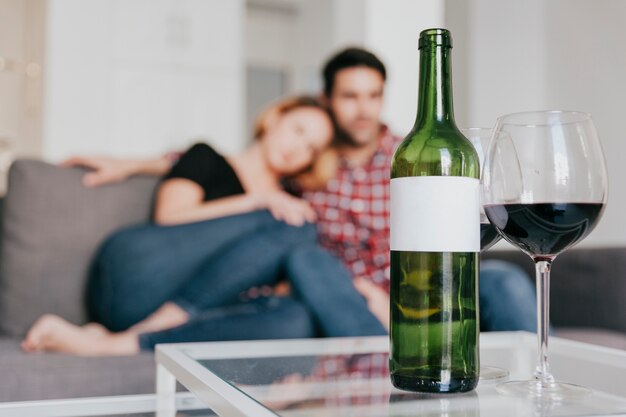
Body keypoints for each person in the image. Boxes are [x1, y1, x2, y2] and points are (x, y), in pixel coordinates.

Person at [22, 95, 387, 355]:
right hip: (136, 272)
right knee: (300, 227)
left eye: (310, 148)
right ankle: (378, 355)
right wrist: (257, 200)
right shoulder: (208, 159)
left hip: (188, 309)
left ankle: (124, 343)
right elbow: (170, 217)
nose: (297, 148)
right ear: (275, 118)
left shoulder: (286, 203)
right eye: (297, 130)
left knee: (297, 321)